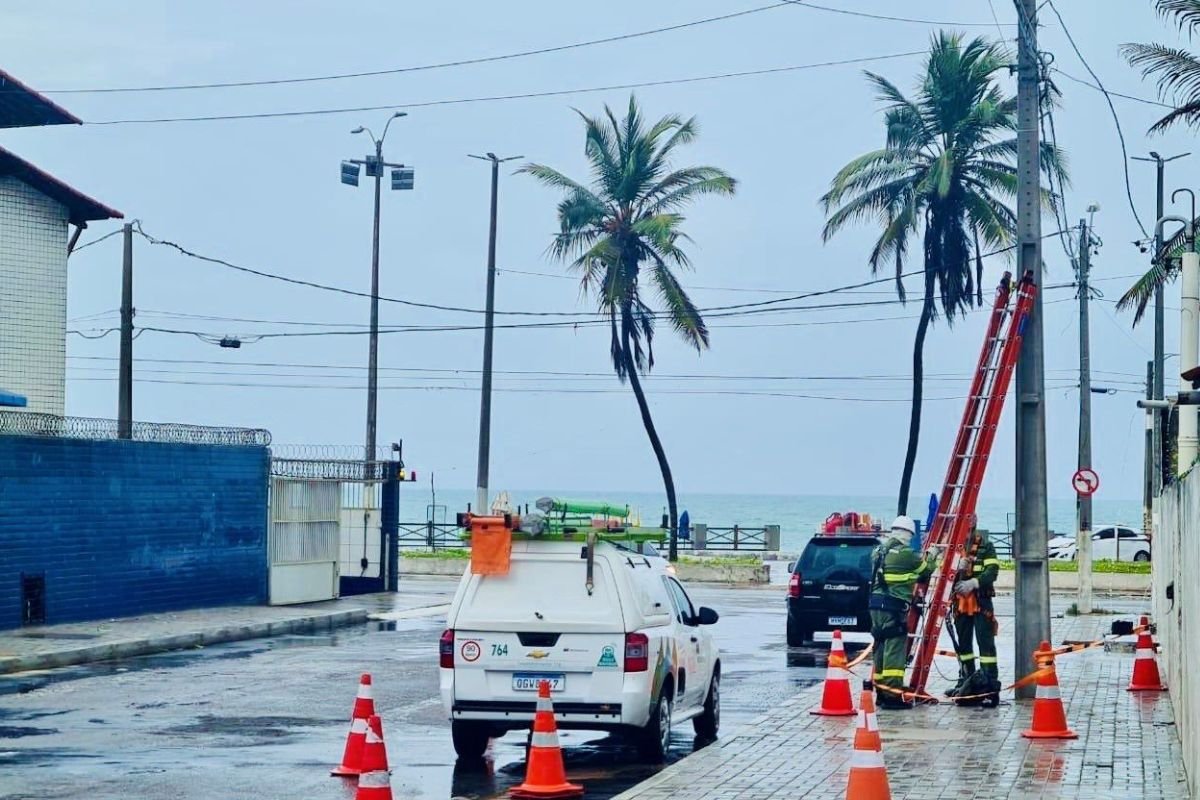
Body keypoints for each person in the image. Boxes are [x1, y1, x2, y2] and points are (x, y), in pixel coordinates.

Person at [869, 515, 934, 709]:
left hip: (875, 605)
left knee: (880, 647)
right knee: (894, 652)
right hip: (894, 608)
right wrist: (933, 555)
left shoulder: (878, 551)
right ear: (908, 534)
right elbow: (926, 570)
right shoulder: (905, 554)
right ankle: (892, 696)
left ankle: (881, 692)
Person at [947, 519, 1001, 706]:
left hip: (981, 602)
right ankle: (966, 682)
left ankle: (989, 685)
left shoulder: (986, 547)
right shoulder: (954, 549)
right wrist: (956, 568)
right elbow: (944, 575)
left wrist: (974, 582)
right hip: (960, 603)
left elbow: (992, 571)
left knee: (986, 645)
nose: (967, 534)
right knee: (963, 646)